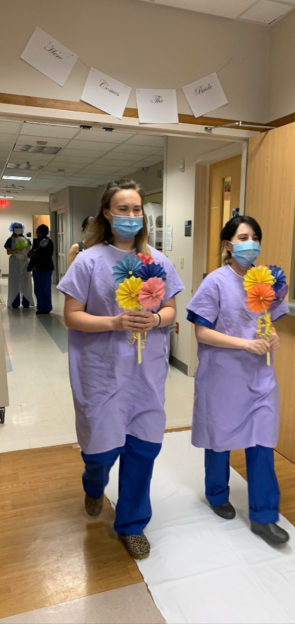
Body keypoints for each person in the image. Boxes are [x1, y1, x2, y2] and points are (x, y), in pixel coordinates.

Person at [57, 179, 184, 560]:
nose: (131, 216)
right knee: (100, 453)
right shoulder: (89, 261)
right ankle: (93, 485)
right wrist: (114, 323)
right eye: (123, 209)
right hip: (101, 374)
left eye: (136, 209)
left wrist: (158, 319)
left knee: (142, 451)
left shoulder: (158, 262)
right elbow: (71, 316)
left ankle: (131, 524)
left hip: (145, 377)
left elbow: (172, 310)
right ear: (107, 214)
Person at [186, 215, 289, 546]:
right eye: (243, 236)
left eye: (255, 236)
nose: (251, 242)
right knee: (221, 438)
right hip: (223, 375)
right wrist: (245, 343)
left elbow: (268, 320)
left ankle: (264, 516)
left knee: (262, 441)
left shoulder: (267, 279)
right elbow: (201, 330)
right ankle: (216, 494)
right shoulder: (215, 282)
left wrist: (271, 335)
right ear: (228, 244)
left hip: (260, 375)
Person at [4, 222, 33, 309]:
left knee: (26, 282)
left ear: (22, 229)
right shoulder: (10, 240)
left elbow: (30, 251)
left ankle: (26, 302)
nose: (18, 229)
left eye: (19, 227)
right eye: (16, 227)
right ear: (13, 229)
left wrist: (27, 253)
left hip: (25, 262)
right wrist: (17, 250)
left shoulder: (27, 240)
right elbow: (8, 252)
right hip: (15, 263)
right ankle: (15, 302)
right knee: (15, 282)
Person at [27, 224, 54, 314]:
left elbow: (48, 255)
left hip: (45, 268)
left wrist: (36, 254)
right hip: (36, 268)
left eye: (38, 231)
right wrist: (30, 253)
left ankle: (47, 308)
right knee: (37, 289)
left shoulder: (48, 242)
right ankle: (40, 307)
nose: (36, 232)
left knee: (45, 288)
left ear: (42, 232)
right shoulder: (36, 241)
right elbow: (31, 252)